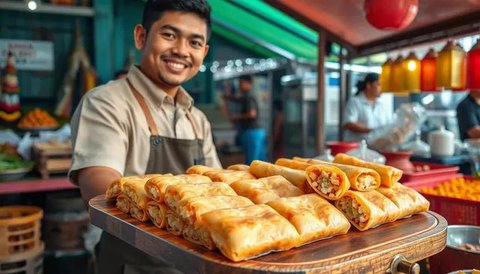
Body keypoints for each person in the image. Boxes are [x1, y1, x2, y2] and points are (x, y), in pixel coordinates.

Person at [68, 0, 221, 273]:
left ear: (204, 52)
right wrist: (180, 214)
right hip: (134, 265)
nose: (181, 50)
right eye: (169, 35)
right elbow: (97, 186)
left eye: (195, 43)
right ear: (141, 36)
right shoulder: (106, 102)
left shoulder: (197, 119)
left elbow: (219, 189)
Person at [223, 75, 266, 164]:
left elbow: (252, 113)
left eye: (241, 83)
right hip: (257, 132)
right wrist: (227, 97)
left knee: (252, 163)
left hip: (251, 133)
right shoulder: (247, 96)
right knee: (261, 162)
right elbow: (236, 99)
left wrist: (236, 117)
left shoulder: (248, 97)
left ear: (248, 83)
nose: (239, 86)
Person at [343, 73, 392, 143]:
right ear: (368, 85)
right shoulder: (355, 102)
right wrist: (373, 131)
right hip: (357, 148)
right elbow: (349, 123)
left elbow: (388, 125)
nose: (382, 88)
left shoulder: (382, 106)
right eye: (379, 85)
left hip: (375, 148)